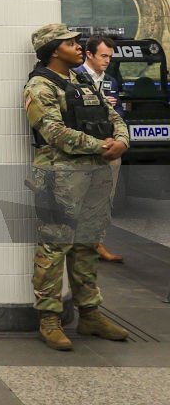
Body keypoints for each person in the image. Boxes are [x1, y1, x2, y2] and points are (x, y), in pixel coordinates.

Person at [24, 23, 131, 350]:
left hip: (94, 175)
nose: (78, 47)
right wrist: (101, 146)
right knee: (54, 248)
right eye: (70, 43)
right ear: (54, 50)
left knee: (87, 245)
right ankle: (49, 319)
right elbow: (54, 132)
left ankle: (90, 314)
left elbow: (113, 116)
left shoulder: (82, 81)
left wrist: (122, 140)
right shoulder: (39, 86)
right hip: (60, 177)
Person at [74, 35, 124, 263]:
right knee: (79, 198)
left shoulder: (110, 81)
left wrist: (117, 139)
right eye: (103, 56)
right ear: (89, 54)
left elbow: (119, 111)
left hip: (109, 147)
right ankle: (78, 245)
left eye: (110, 57)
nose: (107, 61)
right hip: (83, 149)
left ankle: (97, 242)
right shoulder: (74, 78)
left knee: (104, 199)